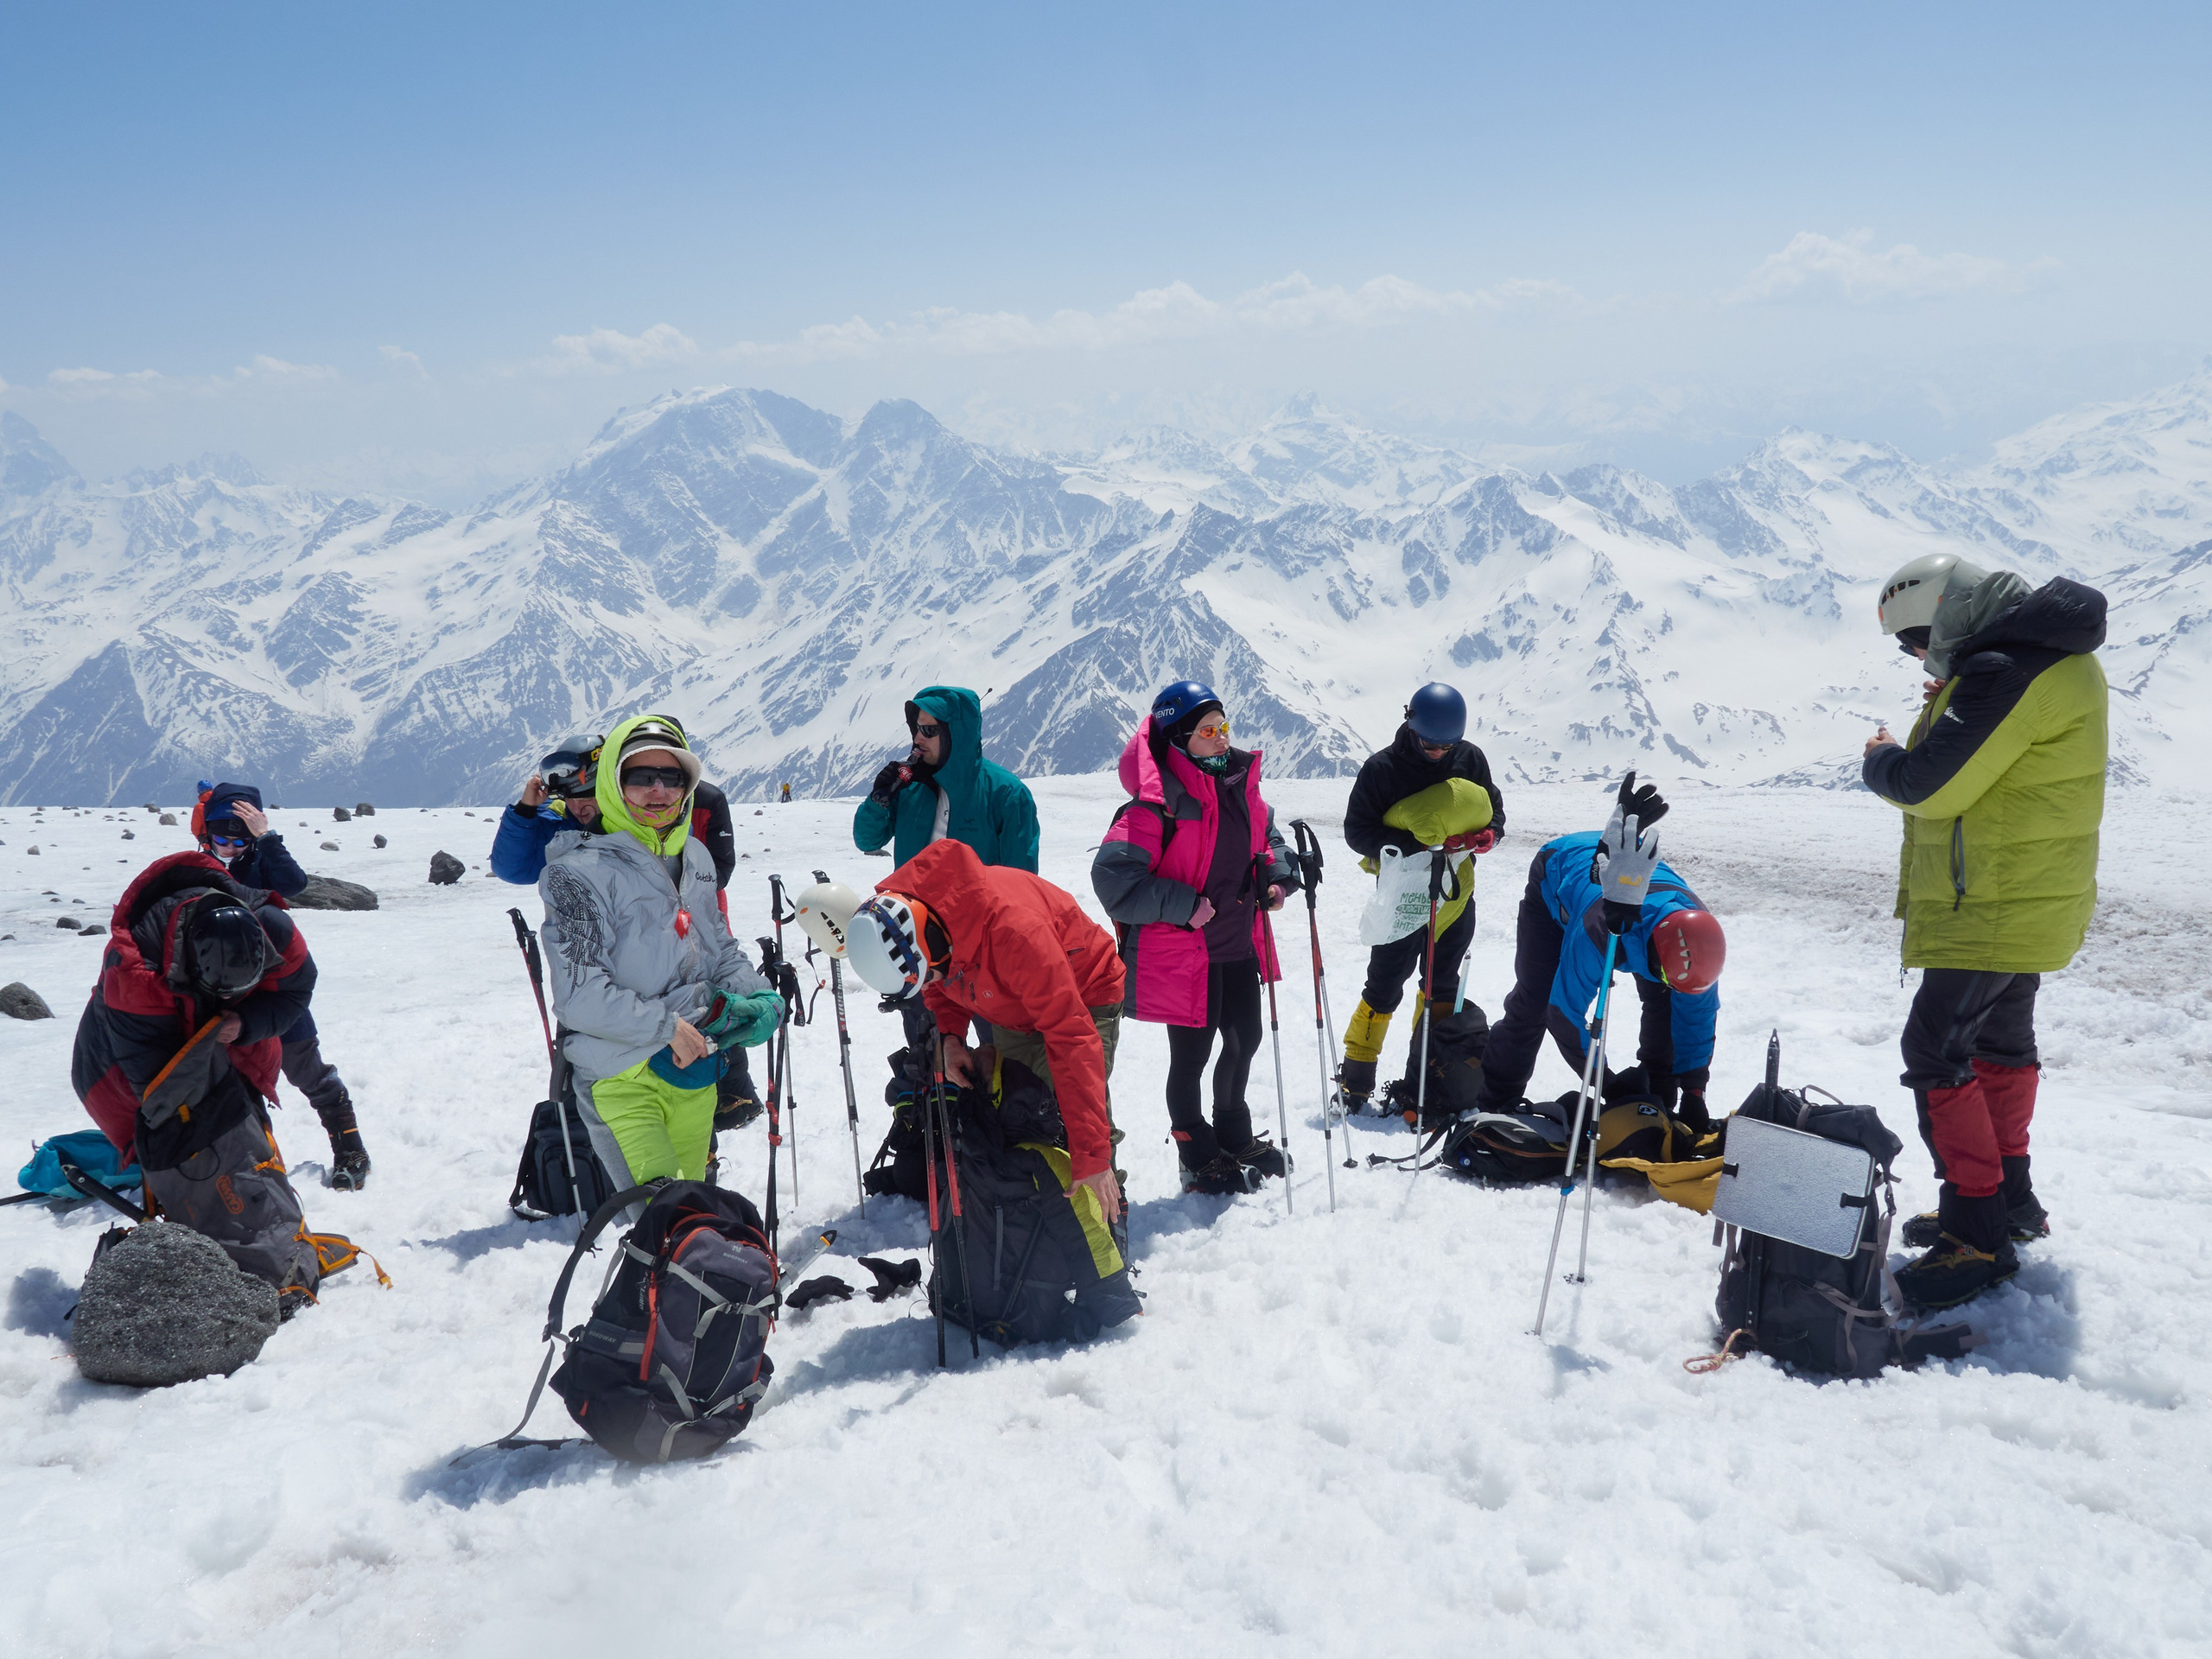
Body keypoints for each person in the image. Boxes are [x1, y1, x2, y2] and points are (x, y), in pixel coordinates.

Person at [1863, 554, 2107, 1310]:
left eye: (1916, 638)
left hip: (1991, 902)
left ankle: (1976, 1230)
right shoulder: (2055, 657)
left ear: (1949, 613)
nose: (1915, 655)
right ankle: (2011, 1200)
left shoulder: (2005, 670)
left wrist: (1882, 760)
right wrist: (1959, 696)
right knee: (2001, 1046)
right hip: (2025, 895)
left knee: (1935, 1053)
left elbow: (1925, 785)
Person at [538, 715, 784, 1194]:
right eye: (640, 777)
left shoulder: (695, 857)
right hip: (622, 1075)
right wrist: (669, 1027)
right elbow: (581, 997)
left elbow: (719, 951)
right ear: (613, 782)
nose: (658, 790)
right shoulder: (578, 873)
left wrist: (762, 997)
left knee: (694, 1208)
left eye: (672, 778)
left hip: (693, 1070)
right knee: (663, 1226)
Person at [1091, 681, 1300, 1195]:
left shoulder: (1236, 786)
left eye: (1224, 726)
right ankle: (1195, 1150)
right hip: (1187, 955)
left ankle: (1233, 1133)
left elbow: (1266, 839)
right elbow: (1114, 881)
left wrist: (1275, 874)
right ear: (1178, 739)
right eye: (1208, 730)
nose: (1221, 738)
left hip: (1237, 942)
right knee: (1192, 1058)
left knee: (1245, 1039)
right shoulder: (1154, 806)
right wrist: (1184, 906)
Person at [844, 839, 1125, 1221]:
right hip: (1013, 1005)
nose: (932, 981)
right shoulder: (929, 928)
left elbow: (1071, 1038)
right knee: (1025, 1109)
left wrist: (1092, 1155)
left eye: (932, 972)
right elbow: (941, 984)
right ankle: (1041, 1217)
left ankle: (1107, 1216)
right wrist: (951, 1036)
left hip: (1085, 991)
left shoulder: (1015, 933)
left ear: (933, 939)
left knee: (1072, 1110)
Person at [494, 735, 759, 1123]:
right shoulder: (567, 834)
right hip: (611, 977)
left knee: (703, 1031)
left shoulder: (677, 823)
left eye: (589, 794)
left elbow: (712, 874)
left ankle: (725, 1106)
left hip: (688, 943)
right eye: (571, 798)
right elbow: (513, 867)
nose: (581, 806)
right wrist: (523, 813)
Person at [1465, 775, 1726, 1132]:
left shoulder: (1698, 949)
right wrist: (1607, 1083)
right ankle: (1493, 1098)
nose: (1671, 982)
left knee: (1666, 1003)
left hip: (1640, 905)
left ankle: (1660, 1097)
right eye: (1665, 974)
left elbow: (1695, 1021)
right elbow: (1564, 1013)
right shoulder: (1599, 930)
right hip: (1558, 875)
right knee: (1537, 999)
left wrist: (1695, 1092)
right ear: (1653, 951)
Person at [71, 851, 315, 1175]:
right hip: (114, 1067)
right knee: (171, 1146)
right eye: (220, 991)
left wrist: (246, 1022)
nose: (229, 998)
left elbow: (294, 992)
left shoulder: (274, 929)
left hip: (223, 1040)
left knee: (241, 1129)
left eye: (239, 992)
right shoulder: (136, 972)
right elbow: (156, 1086)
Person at [190, 781, 371, 1189]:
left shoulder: (261, 862)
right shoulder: (198, 869)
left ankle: (350, 1148)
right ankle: (237, 1163)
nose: (231, 848)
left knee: (306, 1069)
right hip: (218, 992)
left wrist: (266, 838)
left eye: (241, 839)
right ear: (205, 834)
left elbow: (293, 883)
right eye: (222, 838)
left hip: (275, 987)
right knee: (223, 1082)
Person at [1338, 683, 1505, 1114]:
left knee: (1441, 988)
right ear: (1411, 724)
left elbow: (1495, 812)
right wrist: (1413, 843)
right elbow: (1357, 832)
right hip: (1402, 896)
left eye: (1446, 745)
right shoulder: (1382, 769)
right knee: (1384, 985)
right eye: (1429, 743)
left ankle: (1426, 1081)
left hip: (1454, 894)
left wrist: (1489, 835)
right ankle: (1356, 1079)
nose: (1437, 752)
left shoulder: (1470, 759)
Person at [853, 686, 1039, 873]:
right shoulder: (909, 786)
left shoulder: (1007, 794)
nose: (917, 738)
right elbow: (867, 841)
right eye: (916, 728)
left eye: (928, 730)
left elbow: (1021, 882)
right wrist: (878, 800)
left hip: (974, 902)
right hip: (912, 901)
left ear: (955, 734)